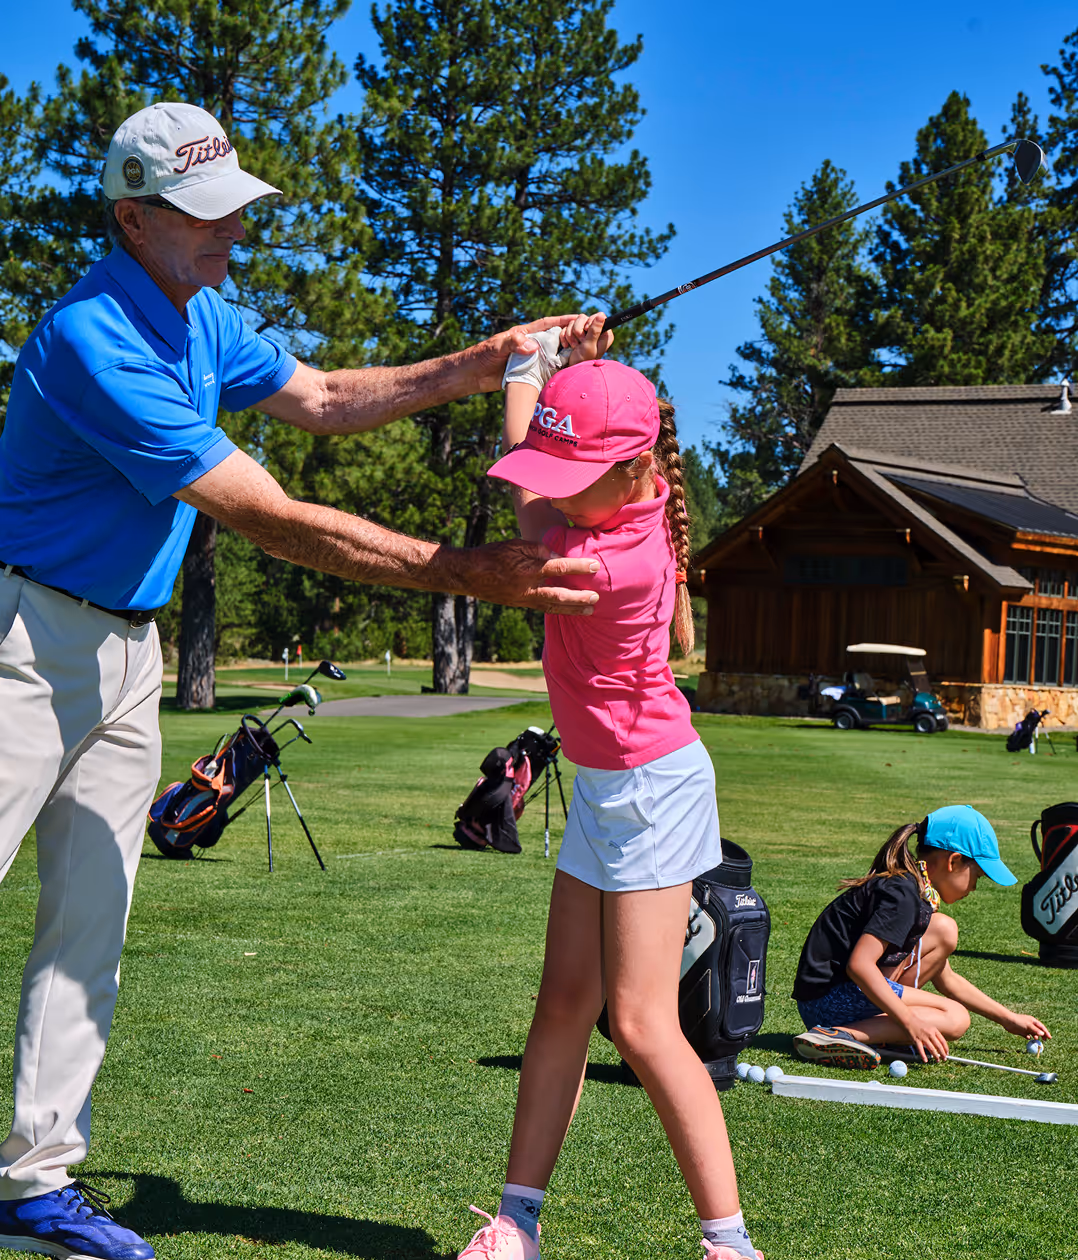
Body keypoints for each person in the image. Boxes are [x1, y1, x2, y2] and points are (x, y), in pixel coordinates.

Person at [0, 101, 600, 1260]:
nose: (234, 235)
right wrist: (467, 571)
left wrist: (487, 363)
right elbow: (270, 521)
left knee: (91, 924)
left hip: (128, 652)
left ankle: (34, 1186)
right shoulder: (94, 338)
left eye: (237, 210)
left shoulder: (199, 306)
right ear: (133, 218)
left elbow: (324, 401)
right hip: (25, 644)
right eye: (208, 216)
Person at [454, 333, 762, 1260]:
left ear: (629, 470)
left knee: (638, 1022)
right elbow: (538, 476)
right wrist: (548, 368)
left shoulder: (603, 563)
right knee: (563, 1003)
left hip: (653, 791)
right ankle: (517, 1223)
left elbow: (525, 507)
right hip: (607, 785)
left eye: (570, 467)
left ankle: (730, 1245)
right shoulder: (622, 505)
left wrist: (525, 367)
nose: (551, 480)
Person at [791, 805, 1051, 1069]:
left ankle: (877, 1034)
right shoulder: (903, 896)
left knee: (942, 930)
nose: (974, 887)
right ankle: (841, 1036)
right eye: (978, 876)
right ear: (954, 861)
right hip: (829, 1003)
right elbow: (859, 965)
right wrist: (910, 1022)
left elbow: (947, 980)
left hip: (831, 999)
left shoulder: (912, 891)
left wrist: (1008, 1018)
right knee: (956, 1017)